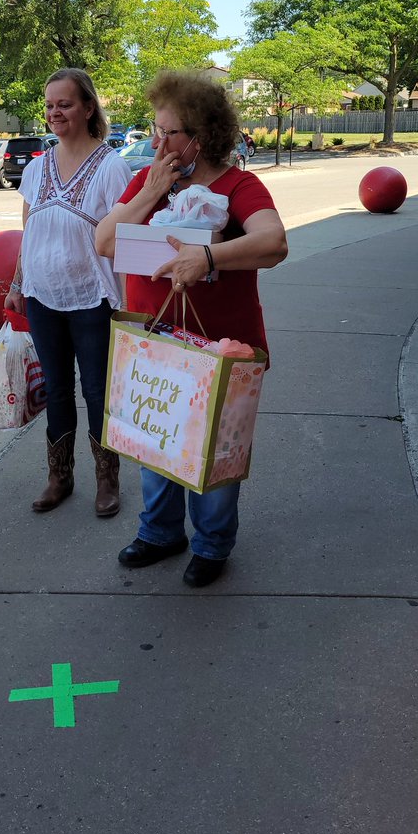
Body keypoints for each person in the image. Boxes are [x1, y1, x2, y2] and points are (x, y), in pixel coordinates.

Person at [96, 71, 288, 587]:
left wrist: (207, 256)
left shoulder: (238, 185)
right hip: (156, 342)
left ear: (199, 138)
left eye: (167, 133)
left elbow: (273, 242)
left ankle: (211, 543)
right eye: (155, 130)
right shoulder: (147, 181)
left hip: (223, 346)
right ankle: (161, 533)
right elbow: (105, 242)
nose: (156, 142)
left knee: (215, 449)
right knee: (156, 437)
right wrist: (150, 191)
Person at [4, 68, 131, 518]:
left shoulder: (111, 165)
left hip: (92, 296)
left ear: (88, 107)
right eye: (50, 104)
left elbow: (126, 236)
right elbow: (28, 229)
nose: (55, 112)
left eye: (65, 103)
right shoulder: (37, 167)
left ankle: (106, 478)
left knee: (97, 390)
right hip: (42, 295)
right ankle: (60, 475)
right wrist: (18, 284)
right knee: (57, 390)